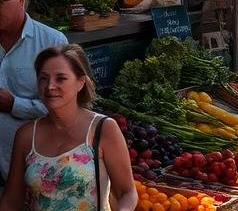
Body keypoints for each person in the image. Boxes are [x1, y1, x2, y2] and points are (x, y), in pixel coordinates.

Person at [0, 44, 136, 211]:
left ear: (80, 82)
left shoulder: (103, 129)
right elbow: (11, 202)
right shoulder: (27, 135)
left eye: (61, 78)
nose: (50, 86)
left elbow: (127, 192)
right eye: (44, 78)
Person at [0, 0, 68, 182]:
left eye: (0, 2)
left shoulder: (52, 43)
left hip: (33, 168)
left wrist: (14, 104)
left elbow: (65, 108)